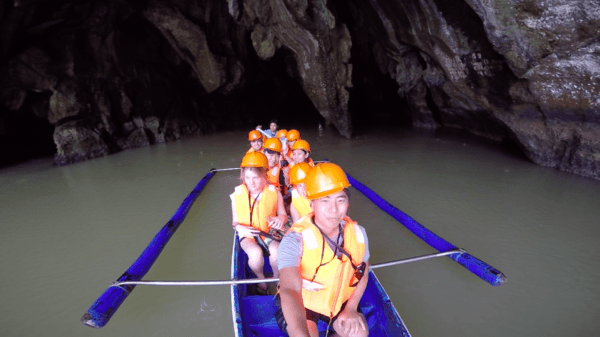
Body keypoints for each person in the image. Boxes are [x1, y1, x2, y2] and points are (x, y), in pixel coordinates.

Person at [277, 163, 370, 337]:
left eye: (340, 200)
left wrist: (351, 307)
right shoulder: (295, 239)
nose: (333, 209)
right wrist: (300, 332)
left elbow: (363, 272)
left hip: (339, 298)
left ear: (348, 203)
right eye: (324, 200)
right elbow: (290, 290)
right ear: (312, 204)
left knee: (360, 333)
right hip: (304, 300)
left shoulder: (358, 233)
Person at [231, 152, 288, 293]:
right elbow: (235, 222)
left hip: (268, 232)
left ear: (265, 176)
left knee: (276, 252)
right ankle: (261, 278)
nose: (251, 182)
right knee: (255, 254)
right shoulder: (237, 194)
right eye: (248, 178)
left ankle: (276, 277)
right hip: (248, 236)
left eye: (256, 177)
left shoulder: (275, 192)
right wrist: (240, 229)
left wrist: (280, 219)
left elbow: (283, 215)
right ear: (243, 176)